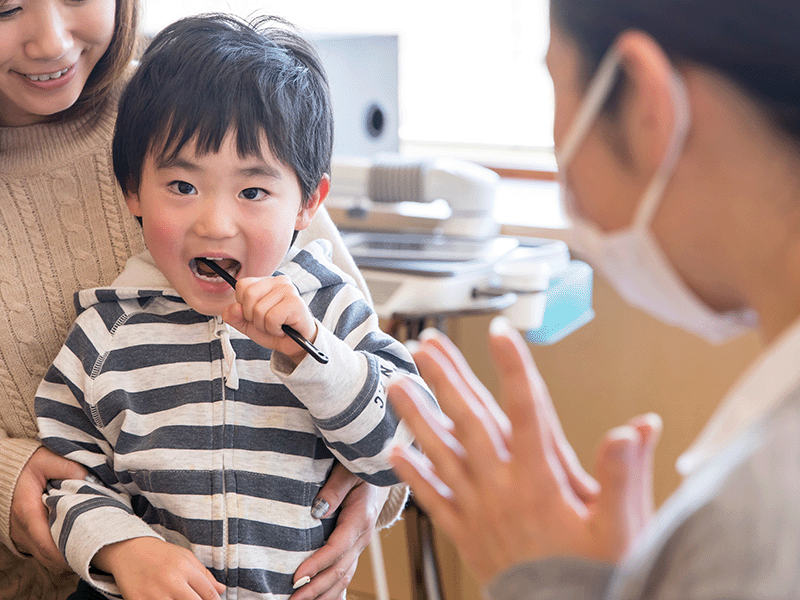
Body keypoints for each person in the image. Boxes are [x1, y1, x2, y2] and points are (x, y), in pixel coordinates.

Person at [387, 0, 800, 598]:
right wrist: (649, 577)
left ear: (644, 101)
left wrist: (549, 584)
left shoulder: (755, 526)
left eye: (555, 85)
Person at [0, 2, 407, 599]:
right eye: (7, 7)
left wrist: (357, 439)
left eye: (251, 190)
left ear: (307, 204)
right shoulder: (105, 331)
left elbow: (406, 434)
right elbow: (72, 475)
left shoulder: (321, 300)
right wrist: (120, 546)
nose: (216, 225)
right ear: (132, 191)